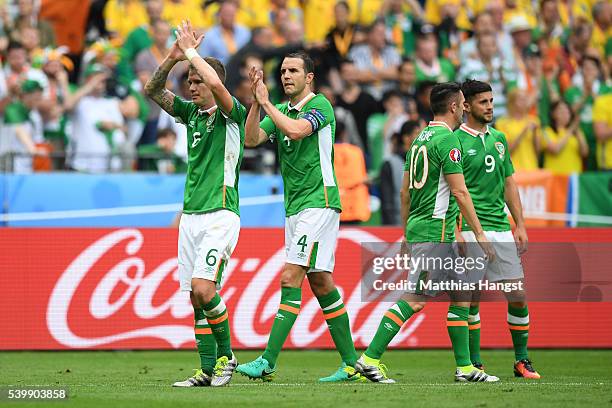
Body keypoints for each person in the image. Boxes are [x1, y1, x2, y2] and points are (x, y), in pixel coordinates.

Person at [355, 82, 498, 383]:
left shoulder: (419, 140)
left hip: (424, 228)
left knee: (463, 294)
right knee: (416, 298)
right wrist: (479, 233)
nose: (464, 108)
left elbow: (404, 192)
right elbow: (459, 192)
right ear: (455, 107)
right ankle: (369, 358)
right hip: (437, 231)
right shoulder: (447, 141)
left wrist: (407, 232)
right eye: (462, 104)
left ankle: (466, 368)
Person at [236, 51, 361, 383]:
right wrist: (255, 103)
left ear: (309, 77)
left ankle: (267, 361)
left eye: (293, 70)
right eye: (282, 71)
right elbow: (250, 140)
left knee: (290, 278)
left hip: (319, 202)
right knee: (321, 283)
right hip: (295, 208)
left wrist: (269, 105)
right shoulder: (282, 111)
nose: (286, 75)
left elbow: (296, 131)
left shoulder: (319, 106)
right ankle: (351, 365)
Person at [144, 20, 247, 387]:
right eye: (190, 81)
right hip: (190, 216)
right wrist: (173, 59)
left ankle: (227, 357)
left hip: (220, 213)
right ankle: (206, 370)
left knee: (206, 289)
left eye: (197, 80)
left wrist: (192, 52)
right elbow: (152, 89)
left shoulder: (230, 113)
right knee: (194, 298)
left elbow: (218, 84)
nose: (191, 86)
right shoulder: (190, 115)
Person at [455, 79, 541, 379]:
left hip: (500, 227)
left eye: (491, 101)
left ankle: (522, 360)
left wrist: (520, 224)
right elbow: (451, 190)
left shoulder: (500, 139)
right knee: (472, 297)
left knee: (517, 293)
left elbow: (509, 183)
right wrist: (455, 229)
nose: (490, 106)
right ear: (466, 105)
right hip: (469, 227)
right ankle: (474, 363)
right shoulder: (456, 141)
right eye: (483, 102)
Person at [542, 100, 589, 175]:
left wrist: (577, 132)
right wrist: (571, 129)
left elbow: (584, 153)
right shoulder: (546, 131)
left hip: (573, 178)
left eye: (567, 110)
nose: (565, 113)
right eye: (561, 110)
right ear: (553, 114)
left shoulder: (576, 132)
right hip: (555, 177)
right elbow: (555, 149)